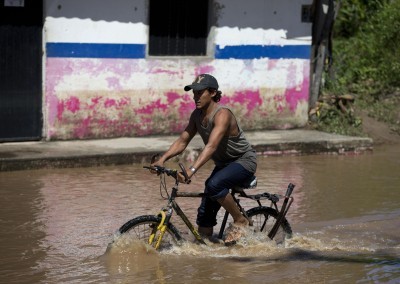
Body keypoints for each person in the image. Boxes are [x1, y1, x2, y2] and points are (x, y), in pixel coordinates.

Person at [151, 74, 257, 245]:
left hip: (243, 161)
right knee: (204, 215)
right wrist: (162, 160)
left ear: (213, 93)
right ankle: (206, 248)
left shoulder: (223, 114)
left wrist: (191, 170)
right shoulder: (196, 115)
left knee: (214, 185)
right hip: (223, 164)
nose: (196, 97)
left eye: (200, 93)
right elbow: (183, 140)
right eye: (194, 93)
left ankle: (240, 220)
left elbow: (211, 146)